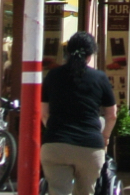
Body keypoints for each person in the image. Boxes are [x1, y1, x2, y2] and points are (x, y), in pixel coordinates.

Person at [40, 32, 117, 195]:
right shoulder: (100, 78)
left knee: (58, 191)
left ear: (67, 52)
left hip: (55, 145)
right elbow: (111, 115)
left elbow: (44, 114)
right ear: (90, 55)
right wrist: (105, 137)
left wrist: (54, 129)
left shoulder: (52, 76)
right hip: (90, 147)